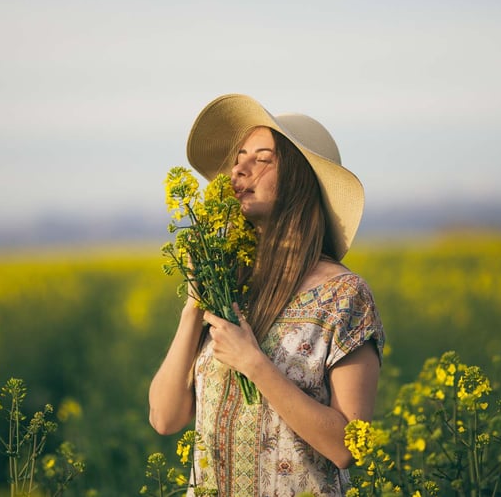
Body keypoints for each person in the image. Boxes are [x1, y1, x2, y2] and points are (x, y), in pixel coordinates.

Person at [148, 94, 385, 496]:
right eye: (239, 157)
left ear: (299, 179)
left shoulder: (344, 296)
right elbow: (165, 419)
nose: (239, 168)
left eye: (262, 159)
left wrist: (254, 364)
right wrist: (193, 305)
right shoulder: (228, 288)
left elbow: (347, 446)